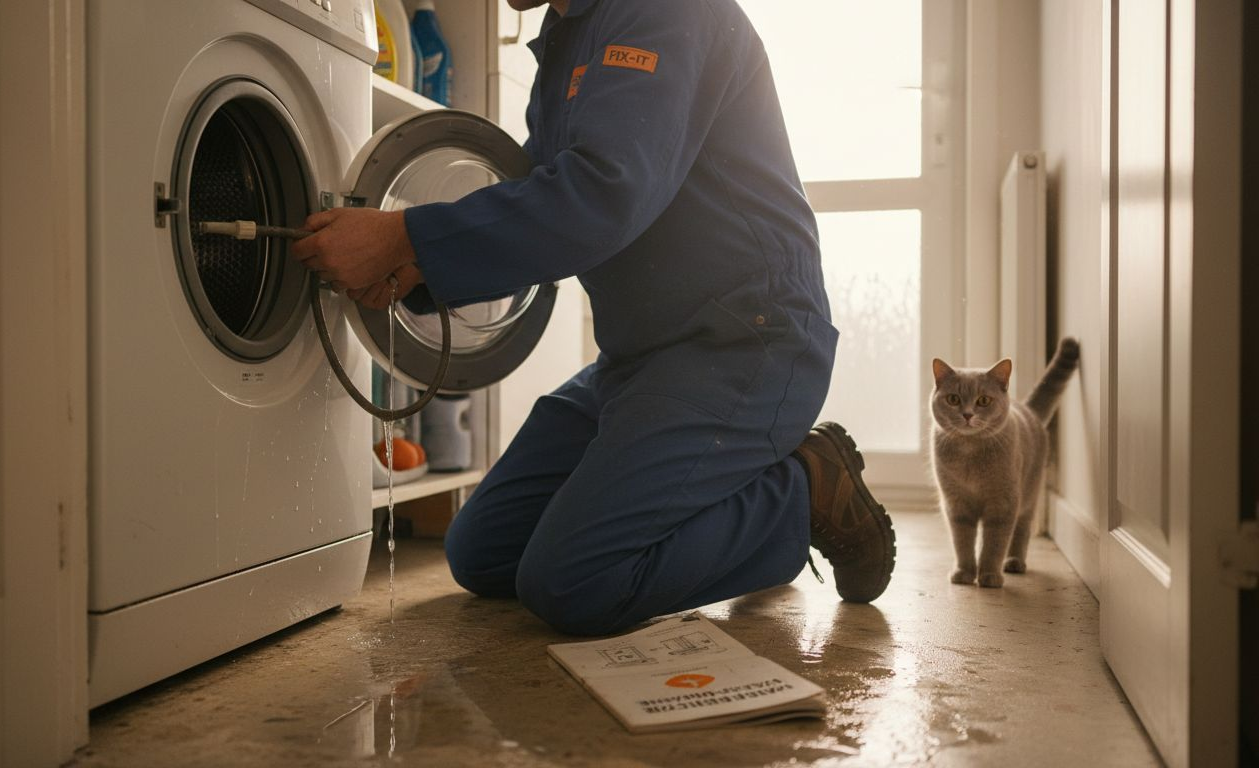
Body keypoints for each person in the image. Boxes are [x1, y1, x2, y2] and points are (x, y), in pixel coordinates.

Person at [290, 0, 895, 636]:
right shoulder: (569, 33)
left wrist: (406, 238)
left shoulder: (664, 12)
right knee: (483, 553)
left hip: (746, 342)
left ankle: (803, 493)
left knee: (573, 582)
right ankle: (721, 483)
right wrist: (417, 269)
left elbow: (604, 193)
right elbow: (542, 199)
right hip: (640, 357)